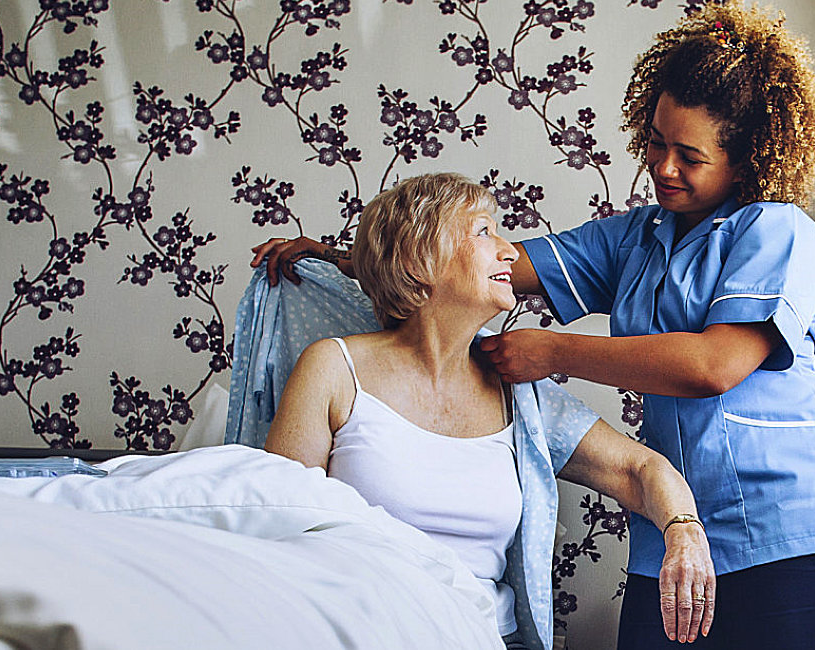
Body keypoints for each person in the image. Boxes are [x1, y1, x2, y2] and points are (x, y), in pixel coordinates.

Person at [251, 3, 815, 647]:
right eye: (657, 142)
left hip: (786, 521)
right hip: (670, 527)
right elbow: (477, 264)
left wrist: (553, 351)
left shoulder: (779, 232)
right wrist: (350, 259)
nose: (662, 167)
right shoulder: (635, 239)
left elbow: (714, 366)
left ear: (744, 160)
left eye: (689, 155)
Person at [261, 172, 717, 650]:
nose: (509, 252)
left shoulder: (519, 394)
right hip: (359, 632)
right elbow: (277, 525)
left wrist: (683, 530)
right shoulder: (334, 368)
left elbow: (640, 467)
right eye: (483, 232)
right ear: (420, 258)